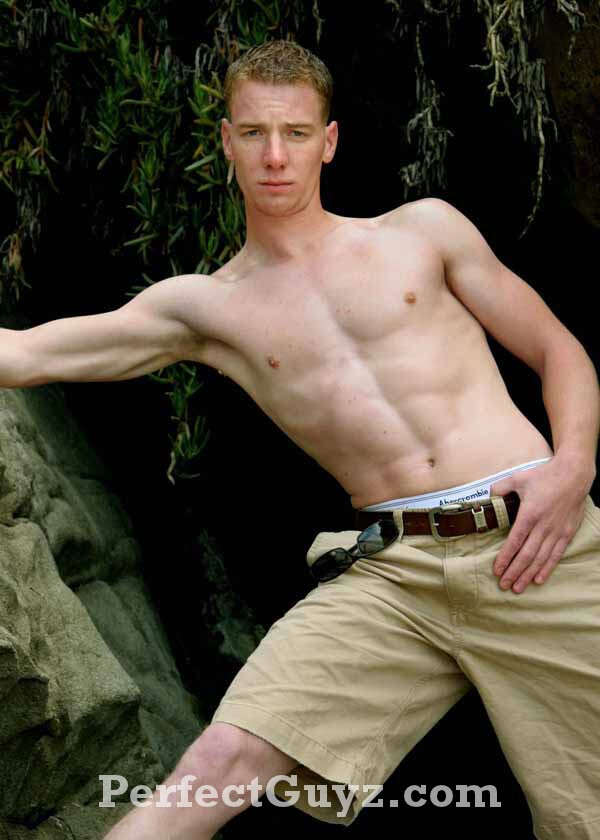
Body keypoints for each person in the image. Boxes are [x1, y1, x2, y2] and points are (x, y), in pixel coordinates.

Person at [2, 39, 598, 840]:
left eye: (295, 132)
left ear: (330, 141)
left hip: (535, 541)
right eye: (254, 133)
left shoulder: (423, 232)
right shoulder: (206, 308)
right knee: (221, 760)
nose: (275, 156)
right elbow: (23, 354)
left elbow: (558, 349)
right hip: (394, 573)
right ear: (226, 141)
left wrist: (573, 467)